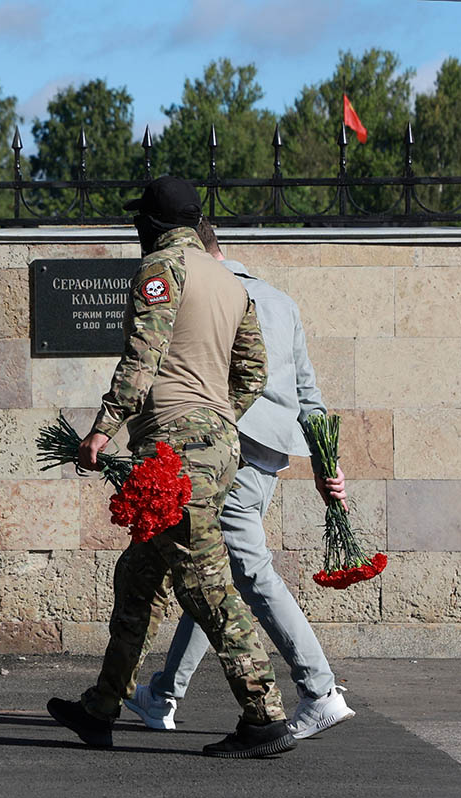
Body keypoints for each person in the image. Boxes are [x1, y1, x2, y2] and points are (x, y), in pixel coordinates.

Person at [47, 176, 294, 758]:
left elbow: (143, 354)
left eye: (140, 222)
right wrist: (217, 420)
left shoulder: (162, 269)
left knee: (205, 583)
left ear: (152, 224)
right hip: (215, 443)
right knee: (138, 577)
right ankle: (102, 707)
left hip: (176, 450)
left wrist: (104, 428)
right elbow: (254, 370)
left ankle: (265, 716)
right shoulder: (230, 281)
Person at [124, 218, 354, 739]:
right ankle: (163, 694)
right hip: (270, 452)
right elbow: (309, 395)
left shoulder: (205, 293)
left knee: (248, 572)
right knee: (211, 571)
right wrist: (326, 464)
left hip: (224, 446)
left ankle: (319, 690)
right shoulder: (281, 301)